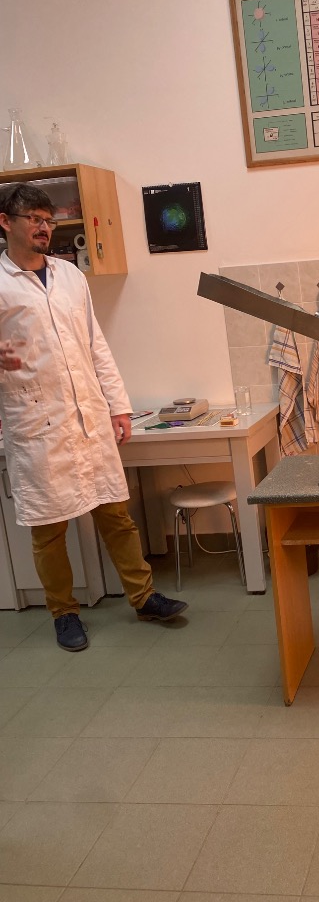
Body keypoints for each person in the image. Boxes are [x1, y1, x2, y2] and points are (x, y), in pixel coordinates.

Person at [0, 182, 188, 651]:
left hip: (87, 415)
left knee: (116, 515)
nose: (44, 229)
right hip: (36, 423)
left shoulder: (69, 276)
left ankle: (143, 598)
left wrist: (118, 405)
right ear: (6, 223)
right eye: (34, 220)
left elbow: (94, 344)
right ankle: (64, 613)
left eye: (49, 221)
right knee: (49, 530)